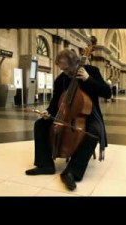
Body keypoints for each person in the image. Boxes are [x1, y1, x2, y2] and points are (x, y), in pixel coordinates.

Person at [25, 49, 111, 191]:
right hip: (67, 114)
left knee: (94, 132)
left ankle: (72, 172)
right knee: (40, 124)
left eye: (66, 68)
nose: (64, 72)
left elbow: (107, 93)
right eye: (61, 69)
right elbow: (55, 102)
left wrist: (88, 79)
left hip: (90, 114)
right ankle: (45, 164)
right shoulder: (61, 79)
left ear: (75, 63)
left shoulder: (91, 71)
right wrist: (48, 111)